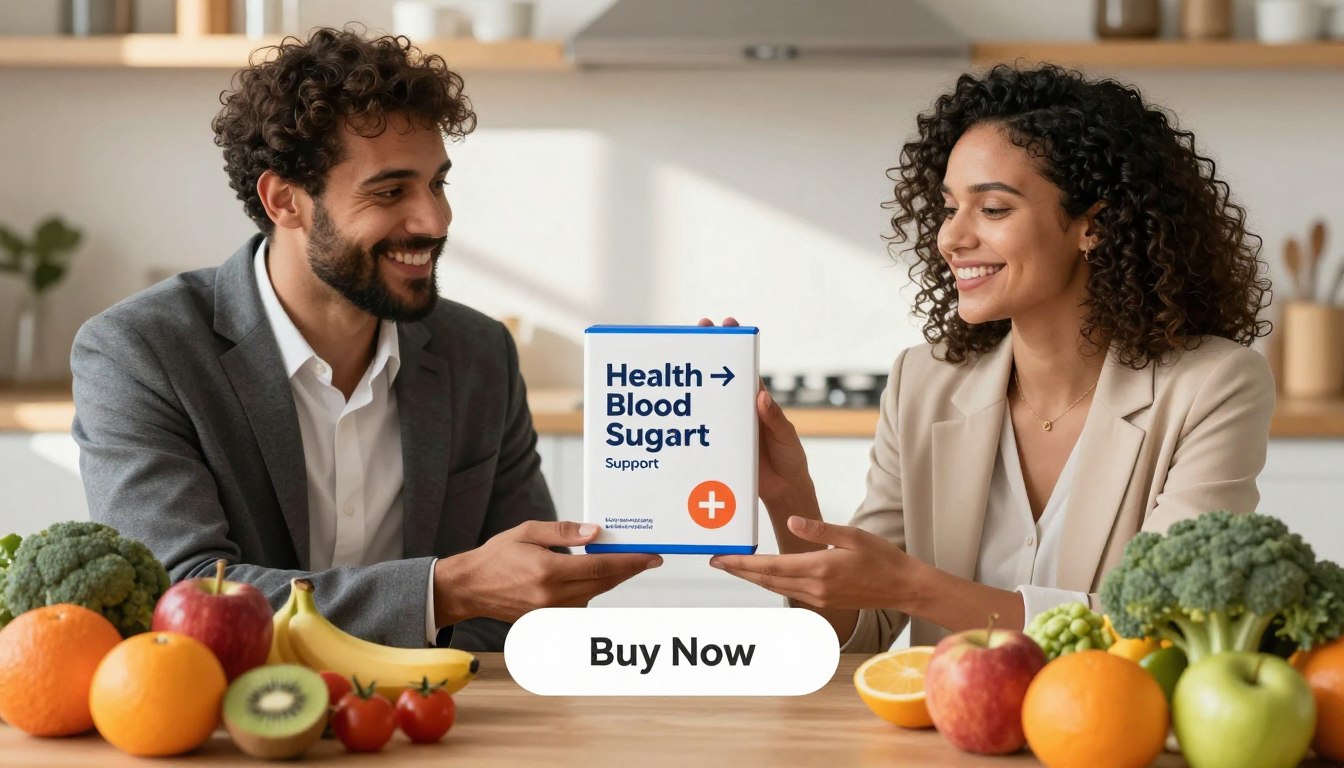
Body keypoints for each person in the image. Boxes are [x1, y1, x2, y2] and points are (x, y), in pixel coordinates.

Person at [70, 28, 660, 652]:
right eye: (389, 191)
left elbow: (521, 607)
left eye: (438, 183)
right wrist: (444, 590)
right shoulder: (139, 353)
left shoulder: (479, 354)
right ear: (284, 201)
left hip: (440, 723)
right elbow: (183, 597)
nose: (434, 220)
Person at [707, 64, 1275, 651]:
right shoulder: (922, 384)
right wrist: (786, 491)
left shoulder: (1214, 385)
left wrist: (918, 590)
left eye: (993, 209)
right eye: (949, 207)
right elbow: (859, 632)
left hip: (1112, 737)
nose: (952, 238)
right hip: (945, 742)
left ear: (1093, 226)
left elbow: (1162, 625)